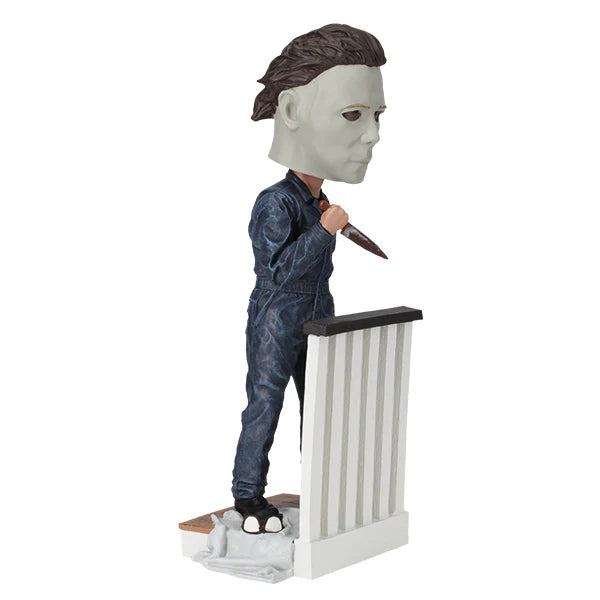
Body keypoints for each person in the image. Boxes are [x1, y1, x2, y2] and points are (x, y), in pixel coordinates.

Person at [231, 23, 386, 534]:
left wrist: (324, 222)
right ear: (292, 111)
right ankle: (248, 496)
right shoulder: (275, 202)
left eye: (378, 116)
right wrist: (323, 230)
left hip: (319, 311)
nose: (373, 135)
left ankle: (321, 489)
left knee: (323, 407)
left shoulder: (320, 201)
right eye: (353, 114)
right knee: (265, 404)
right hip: (278, 315)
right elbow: (276, 273)